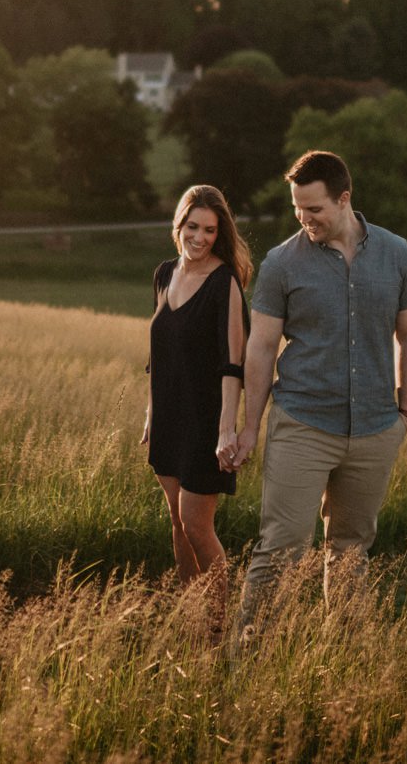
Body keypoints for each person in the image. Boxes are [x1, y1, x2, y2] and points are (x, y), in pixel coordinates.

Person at [220, 150, 407, 643]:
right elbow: (262, 348)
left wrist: (406, 413)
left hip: (377, 428)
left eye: (314, 209)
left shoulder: (397, 254)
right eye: (297, 209)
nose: (303, 219)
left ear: (345, 198)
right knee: (281, 550)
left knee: (352, 551)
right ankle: (247, 659)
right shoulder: (282, 263)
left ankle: (344, 654)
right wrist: (250, 427)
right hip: (303, 426)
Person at [143, 183, 251, 620]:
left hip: (206, 420)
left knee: (197, 527)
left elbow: (233, 363)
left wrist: (226, 429)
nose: (200, 237)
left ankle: (217, 626)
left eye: (210, 230)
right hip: (168, 416)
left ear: (219, 233)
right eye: (193, 227)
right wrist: (151, 411)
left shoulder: (224, 282)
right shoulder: (164, 274)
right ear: (180, 225)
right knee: (175, 522)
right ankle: (191, 615)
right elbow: (157, 353)